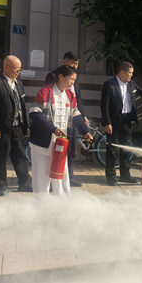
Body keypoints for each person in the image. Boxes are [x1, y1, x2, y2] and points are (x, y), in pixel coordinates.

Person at [101, 61, 142, 186]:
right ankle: (111, 176)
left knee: (126, 148)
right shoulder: (109, 84)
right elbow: (104, 105)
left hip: (127, 120)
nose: (131, 75)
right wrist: (107, 123)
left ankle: (125, 175)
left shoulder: (131, 84)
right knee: (112, 149)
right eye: (130, 73)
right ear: (122, 72)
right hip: (114, 121)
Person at [29, 66, 93, 196]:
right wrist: (53, 129)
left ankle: (62, 201)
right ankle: (41, 202)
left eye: (74, 80)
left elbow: (76, 115)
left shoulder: (70, 95)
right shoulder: (46, 91)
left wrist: (85, 131)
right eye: (71, 79)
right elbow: (34, 114)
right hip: (43, 141)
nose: (72, 83)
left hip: (61, 142)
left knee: (61, 175)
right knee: (42, 176)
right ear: (61, 77)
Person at [0, 55, 32, 196]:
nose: (18, 72)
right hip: (2, 128)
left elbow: (22, 106)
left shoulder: (19, 84)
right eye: (16, 69)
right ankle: (1, 186)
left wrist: (26, 125)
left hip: (18, 127)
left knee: (21, 156)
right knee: (1, 157)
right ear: (6, 67)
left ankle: (25, 184)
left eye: (20, 69)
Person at [45, 51, 88, 187]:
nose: (75, 66)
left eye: (77, 64)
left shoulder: (75, 78)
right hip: (58, 119)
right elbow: (50, 97)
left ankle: (68, 177)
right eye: (72, 63)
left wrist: (83, 116)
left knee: (71, 149)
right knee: (56, 149)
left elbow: (78, 98)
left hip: (72, 118)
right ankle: (51, 180)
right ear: (64, 62)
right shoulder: (53, 76)